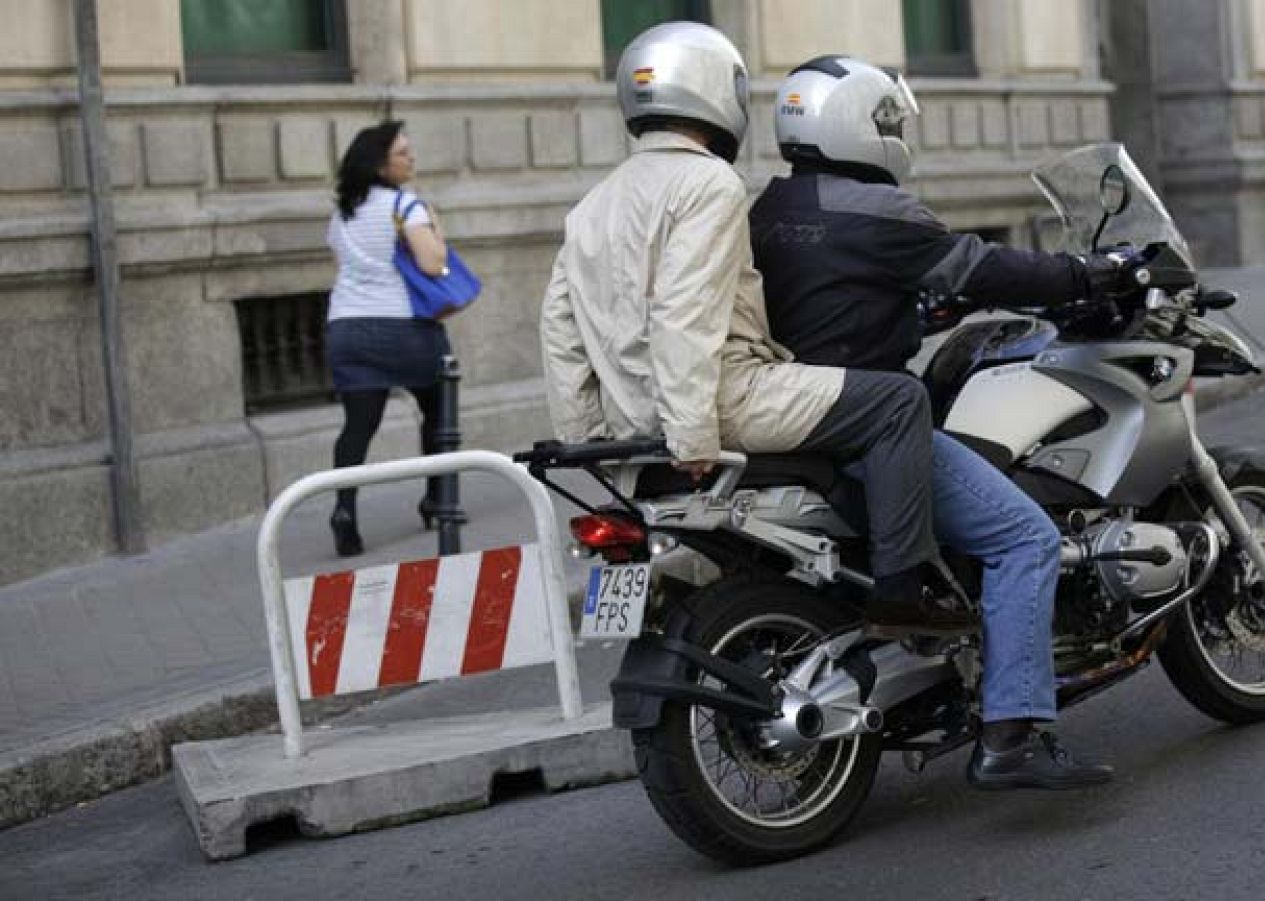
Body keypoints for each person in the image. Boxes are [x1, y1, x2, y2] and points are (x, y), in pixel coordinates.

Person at [750, 57, 1142, 790]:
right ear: (857, 126)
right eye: (888, 121)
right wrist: (1087, 275)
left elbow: (835, 295)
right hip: (867, 425)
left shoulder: (769, 207)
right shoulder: (881, 211)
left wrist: (917, 310)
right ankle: (1012, 733)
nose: (896, 134)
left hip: (792, 415)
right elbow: (984, 266)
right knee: (1026, 537)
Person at [539, 22, 971, 637]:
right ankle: (904, 587)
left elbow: (561, 332)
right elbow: (683, 314)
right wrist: (692, 438)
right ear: (719, 92)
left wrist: (590, 443)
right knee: (898, 401)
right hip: (726, 401)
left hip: (635, 421)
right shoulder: (708, 183)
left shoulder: (594, 203)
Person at [325, 120, 462, 557]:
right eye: (403, 153)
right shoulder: (406, 207)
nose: (412, 158)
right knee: (439, 409)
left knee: (357, 427)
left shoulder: (342, 214)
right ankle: (437, 500)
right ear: (381, 166)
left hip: (346, 327)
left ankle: (344, 509)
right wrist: (436, 231)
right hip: (403, 327)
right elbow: (430, 264)